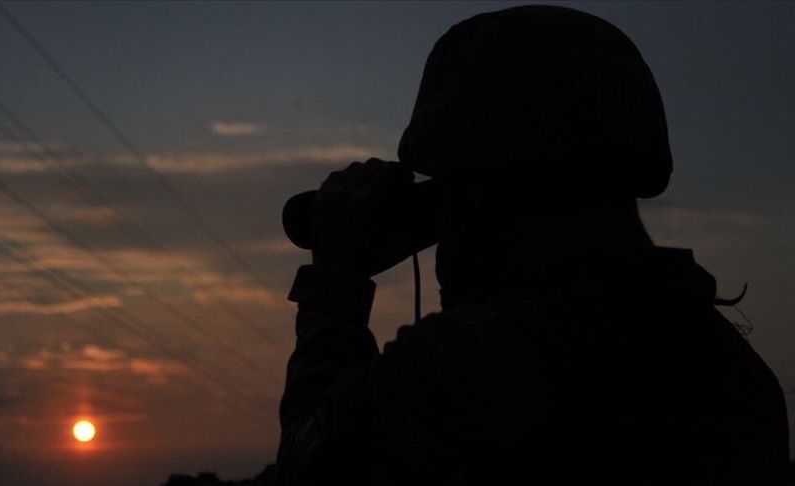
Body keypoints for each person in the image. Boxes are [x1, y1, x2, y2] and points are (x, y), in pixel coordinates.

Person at [277, 5, 789, 484]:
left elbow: (311, 462)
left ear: (488, 190)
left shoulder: (477, 361)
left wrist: (335, 285)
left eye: (455, 188)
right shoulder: (737, 374)